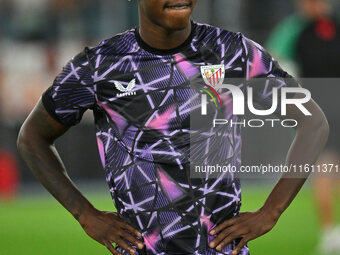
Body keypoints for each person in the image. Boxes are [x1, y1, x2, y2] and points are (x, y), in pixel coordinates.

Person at [17, 0, 329, 254]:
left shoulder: (233, 51)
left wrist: (270, 211)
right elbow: (32, 139)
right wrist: (85, 214)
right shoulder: (99, 66)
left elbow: (313, 123)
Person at [267, 0, 340, 253]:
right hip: (319, 112)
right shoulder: (294, 29)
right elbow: (271, 57)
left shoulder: (335, 25)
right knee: (325, 170)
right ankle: (330, 232)